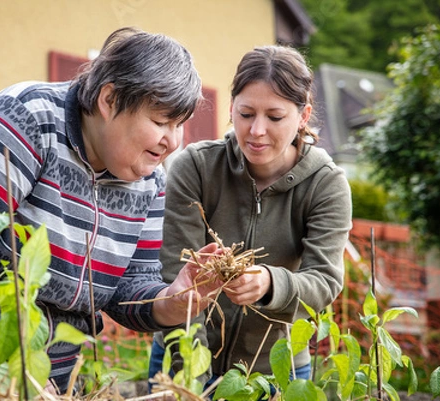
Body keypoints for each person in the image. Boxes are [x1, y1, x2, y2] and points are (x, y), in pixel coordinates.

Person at [0, 27, 222, 393]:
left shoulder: (149, 179)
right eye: (160, 121)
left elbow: (128, 285)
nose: (173, 141)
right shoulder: (25, 118)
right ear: (110, 99)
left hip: (45, 376)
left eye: (179, 124)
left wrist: (168, 302)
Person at [148, 45, 352, 396]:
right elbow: (175, 275)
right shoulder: (196, 168)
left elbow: (324, 281)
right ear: (231, 108)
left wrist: (271, 283)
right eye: (245, 114)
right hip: (185, 354)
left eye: (274, 117)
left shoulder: (326, 185)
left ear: (303, 116)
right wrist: (190, 377)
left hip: (273, 369)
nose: (256, 131)